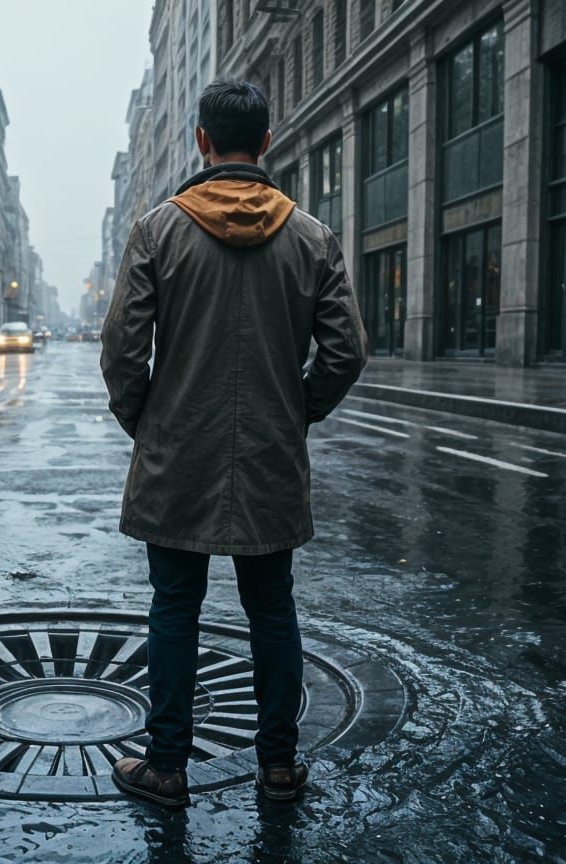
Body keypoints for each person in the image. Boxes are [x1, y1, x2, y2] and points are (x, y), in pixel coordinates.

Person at [100, 81, 366, 808]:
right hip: (269, 458)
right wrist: (294, 411)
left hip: (176, 453)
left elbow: (122, 349)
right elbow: (346, 351)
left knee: (174, 606)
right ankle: (278, 766)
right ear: (269, 143)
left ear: (201, 142)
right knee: (272, 607)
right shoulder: (312, 236)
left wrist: (147, 423)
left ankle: (166, 766)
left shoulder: (159, 230)